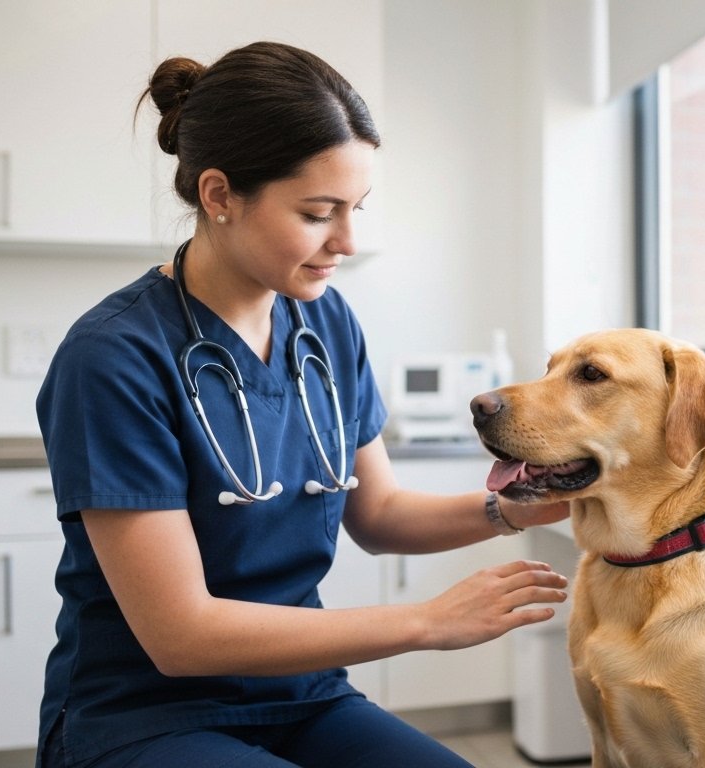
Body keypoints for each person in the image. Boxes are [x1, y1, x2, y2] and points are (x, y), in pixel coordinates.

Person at [35, 41, 570, 768]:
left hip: (301, 694)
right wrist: (425, 621)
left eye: (356, 209)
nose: (347, 240)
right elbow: (181, 635)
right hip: (146, 714)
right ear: (219, 196)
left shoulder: (325, 324)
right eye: (320, 212)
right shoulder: (113, 357)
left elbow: (378, 515)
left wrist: (518, 510)